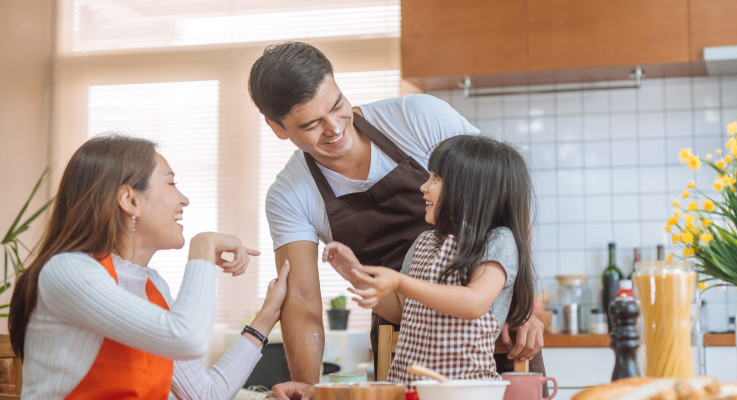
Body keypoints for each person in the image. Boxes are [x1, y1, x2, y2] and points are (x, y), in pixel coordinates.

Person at [248, 42, 545, 394]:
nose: (334, 128)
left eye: (337, 105)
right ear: (277, 128)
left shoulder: (419, 116)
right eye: (312, 124)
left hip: (494, 329)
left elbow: (502, 194)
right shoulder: (289, 195)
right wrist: (308, 387)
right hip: (407, 340)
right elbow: (302, 301)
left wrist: (524, 306)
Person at [7, 135, 310, 399]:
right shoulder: (68, 271)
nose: (184, 199)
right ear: (129, 200)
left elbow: (205, 394)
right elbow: (186, 337)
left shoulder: (152, 286)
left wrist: (268, 314)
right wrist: (202, 247)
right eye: (171, 182)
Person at [323, 135, 536, 388]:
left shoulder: (497, 241)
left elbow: (474, 302)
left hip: (466, 390)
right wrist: (355, 274)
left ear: (472, 190)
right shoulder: (424, 242)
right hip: (409, 388)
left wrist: (399, 282)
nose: (424, 187)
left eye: (436, 178)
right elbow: (403, 311)